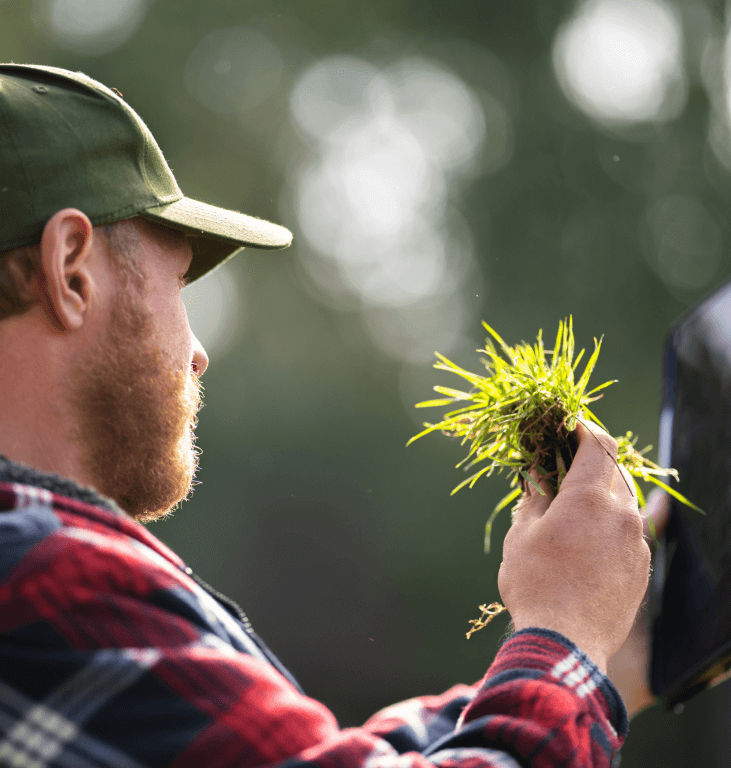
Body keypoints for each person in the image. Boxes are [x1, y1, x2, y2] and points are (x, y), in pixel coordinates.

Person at [0, 63, 661, 768]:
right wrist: (565, 632)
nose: (197, 353)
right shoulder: (41, 571)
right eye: (178, 281)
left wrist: (599, 663)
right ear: (72, 270)